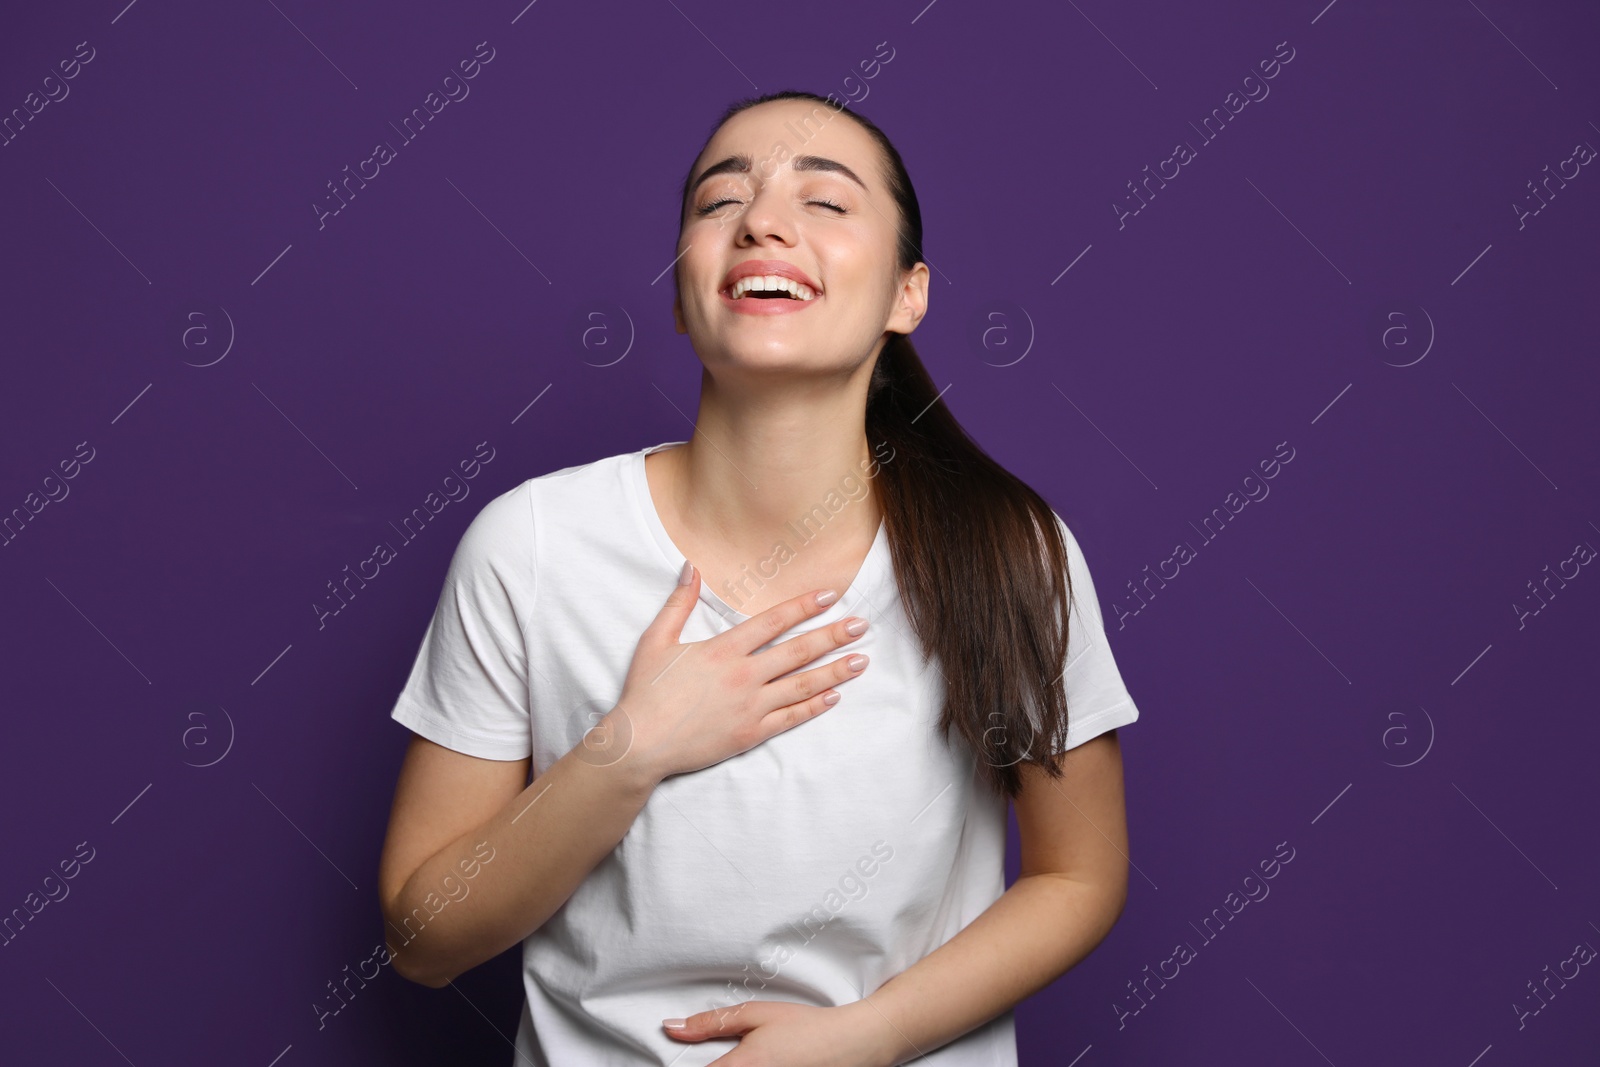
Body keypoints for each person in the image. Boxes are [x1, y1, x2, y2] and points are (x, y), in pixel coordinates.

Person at [377, 89, 1141, 1066]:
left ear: (909, 292)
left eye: (824, 202)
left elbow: (1079, 876)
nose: (763, 223)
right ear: (680, 290)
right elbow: (421, 940)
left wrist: (856, 1041)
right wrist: (630, 747)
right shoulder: (529, 544)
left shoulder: (1011, 551)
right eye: (718, 202)